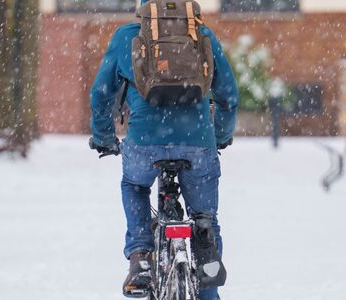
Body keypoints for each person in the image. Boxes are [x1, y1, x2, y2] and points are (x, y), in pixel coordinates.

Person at [88, 0, 239, 298]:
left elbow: (101, 94)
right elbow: (228, 95)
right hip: (197, 144)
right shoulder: (202, 35)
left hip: (144, 143)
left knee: (134, 184)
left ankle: (141, 256)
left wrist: (104, 137)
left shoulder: (126, 37)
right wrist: (219, 135)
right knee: (204, 218)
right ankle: (206, 246)